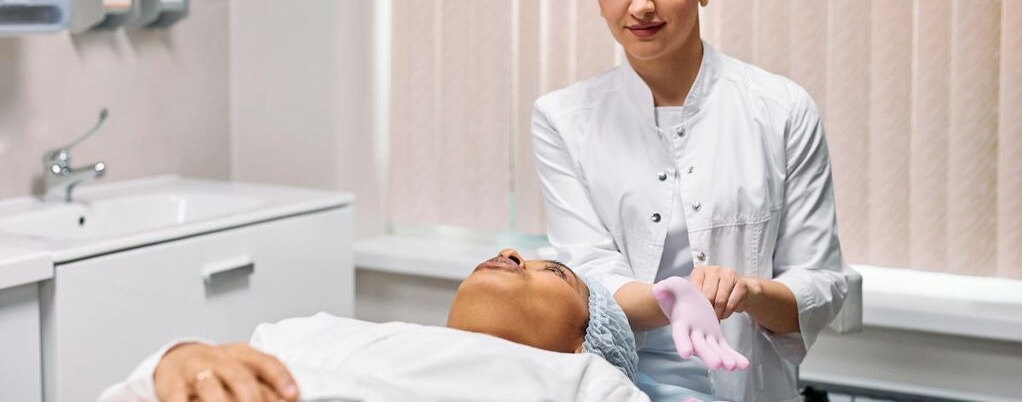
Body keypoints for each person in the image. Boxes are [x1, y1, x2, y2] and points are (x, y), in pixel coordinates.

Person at [532, 0, 850, 401]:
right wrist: (675, 298)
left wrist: (746, 292)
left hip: (746, 384)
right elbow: (588, 278)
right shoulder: (563, 118)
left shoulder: (782, 108)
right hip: (615, 386)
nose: (640, 5)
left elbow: (821, 283)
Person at [100, 249, 737, 402]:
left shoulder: (584, 383)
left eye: (556, 272)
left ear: (584, 338)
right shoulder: (316, 329)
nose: (512, 254)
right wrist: (175, 360)